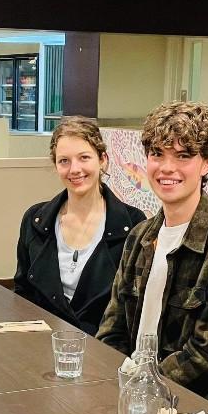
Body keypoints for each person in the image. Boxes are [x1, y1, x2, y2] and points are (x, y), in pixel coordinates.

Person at [97, 101, 208, 414]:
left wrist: (142, 390)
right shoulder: (140, 236)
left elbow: (207, 357)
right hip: (135, 399)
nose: (167, 167)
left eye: (183, 156)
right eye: (158, 154)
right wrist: (122, 385)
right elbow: (111, 328)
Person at [14, 117, 146, 334]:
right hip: (44, 346)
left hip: (104, 349)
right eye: (64, 161)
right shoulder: (35, 220)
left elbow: (132, 307)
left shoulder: (133, 224)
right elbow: (23, 294)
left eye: (84, 157)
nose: (74, 169)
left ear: (103, 159)